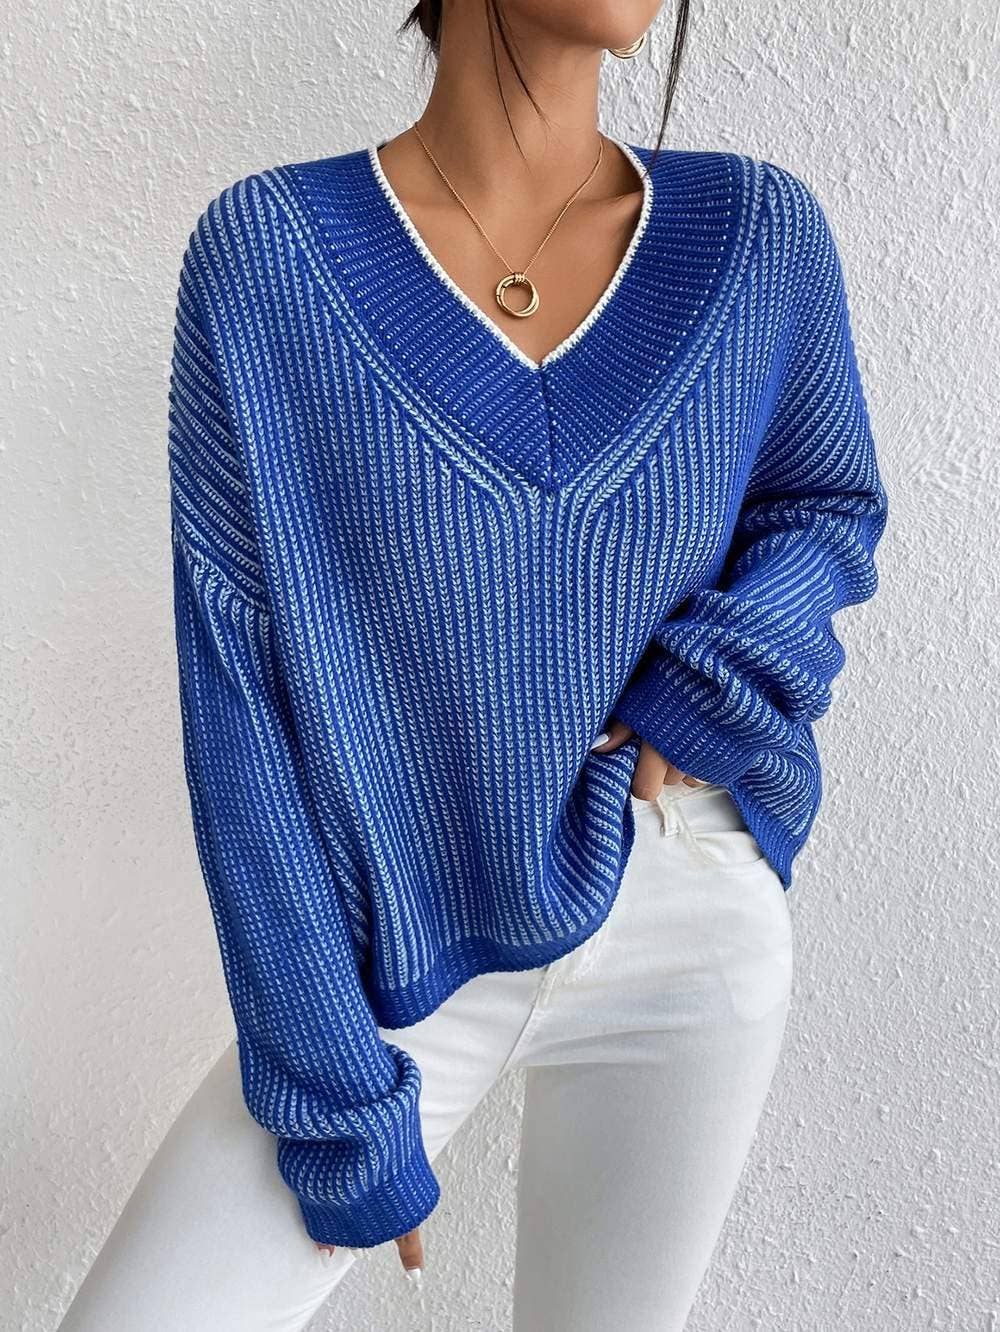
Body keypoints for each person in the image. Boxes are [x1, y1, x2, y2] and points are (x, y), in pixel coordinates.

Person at [58, 1, 889, 1329]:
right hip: (404, 942)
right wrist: (336, 1094)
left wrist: (711, 686)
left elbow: (823, 505)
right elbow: (238, 701)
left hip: (691, 909)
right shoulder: (271, 256)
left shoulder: (755, 236)